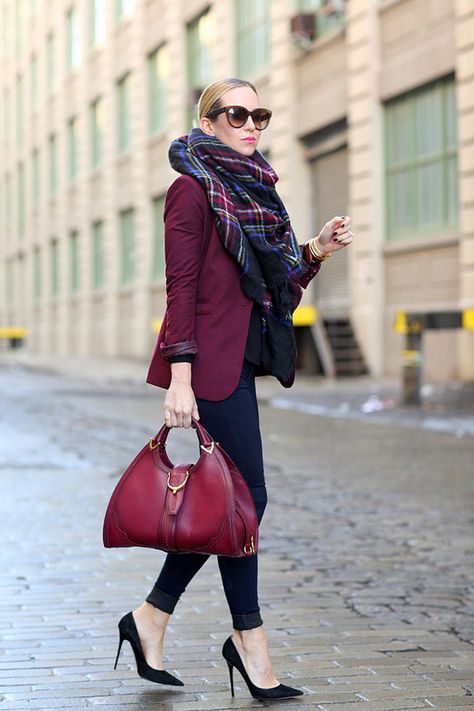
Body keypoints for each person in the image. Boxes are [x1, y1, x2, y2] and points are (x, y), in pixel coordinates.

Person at [114, 77, 354, 700]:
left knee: (239, 502)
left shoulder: (254, 192)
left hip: (241, 362)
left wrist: (317, 252)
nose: (252, 124)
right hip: (210, 369)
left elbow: (268, 284)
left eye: (260, 114)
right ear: (210, 120)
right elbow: (182, 290)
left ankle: (153, 620)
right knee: (247, 501)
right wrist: (181, 377)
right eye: (238, 113)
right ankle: (245, 641)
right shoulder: (191, 192)